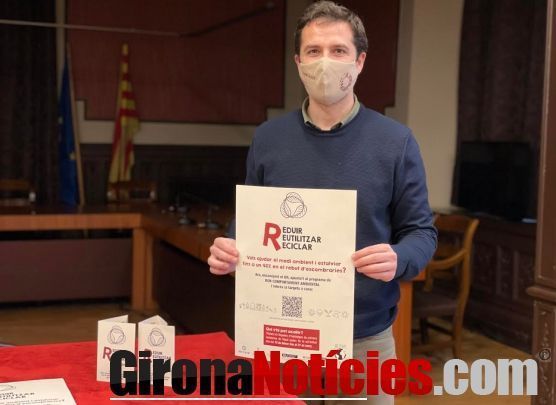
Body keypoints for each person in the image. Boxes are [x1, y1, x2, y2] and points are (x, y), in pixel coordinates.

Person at [208, 1, 437, 403]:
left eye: (338, 50)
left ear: (360, 61)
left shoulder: (396, 142)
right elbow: (250, 221)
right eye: (313, 51)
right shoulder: (268, 138)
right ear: (298, 62)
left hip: (364, 342)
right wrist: (230, 247)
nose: (325, 62)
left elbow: (421, 233)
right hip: (280, 337)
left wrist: (399, 258)